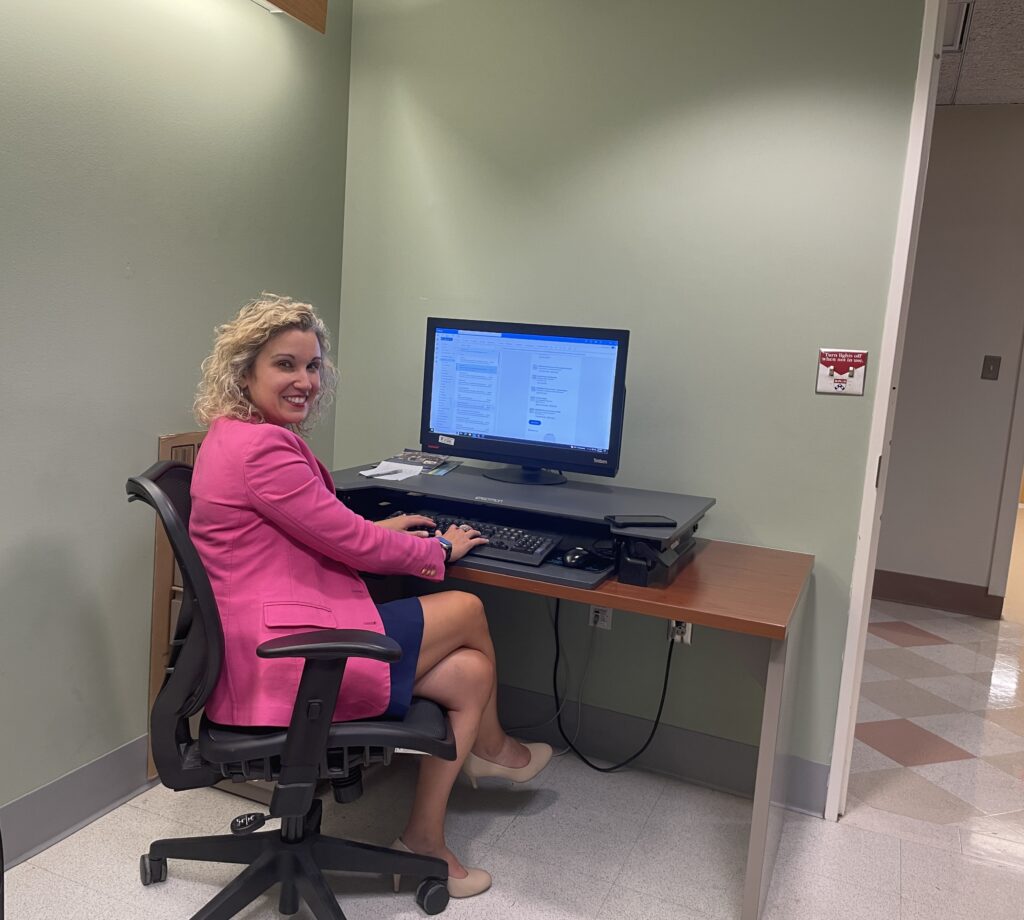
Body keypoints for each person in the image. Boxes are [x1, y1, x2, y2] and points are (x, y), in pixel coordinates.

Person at [190, 293, 552, 898]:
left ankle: (425, 836)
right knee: (466, 607)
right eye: (286, 365)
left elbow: (313, 527)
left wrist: (377, 530)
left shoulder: (235, 435)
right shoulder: (262, 450)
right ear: (245, 370)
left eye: (312, 366)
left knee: (467, 675)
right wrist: (438, 550)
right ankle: (492, 751)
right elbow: (352, 546)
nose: (304, 380)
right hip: (288, 657)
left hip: (269, 638)